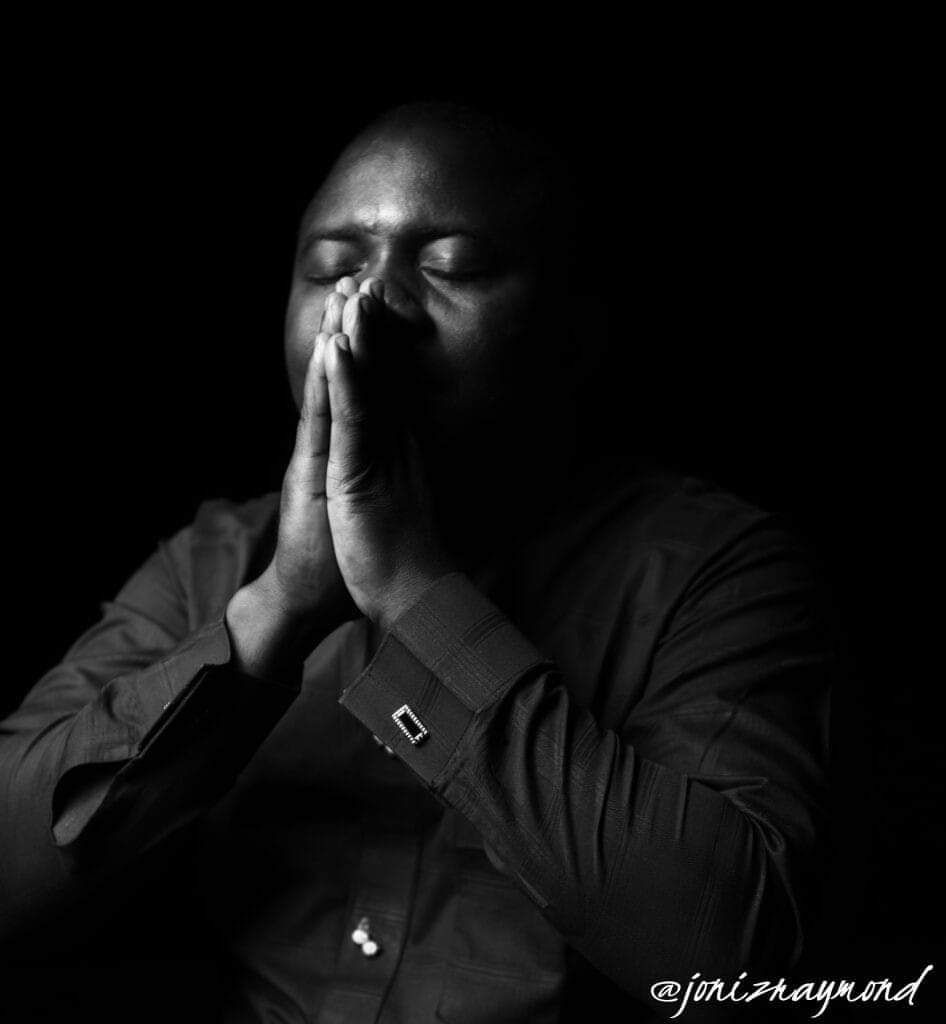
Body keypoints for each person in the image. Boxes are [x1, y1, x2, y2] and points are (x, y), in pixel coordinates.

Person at [0, 101, 832, 1022]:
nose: (368, 305)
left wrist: (411, 593)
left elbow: (733, 959)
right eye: (333, 268)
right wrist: (280, 606)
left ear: (574, 330)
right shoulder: (213, 562)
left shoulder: (711, 572)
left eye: (452, 267)